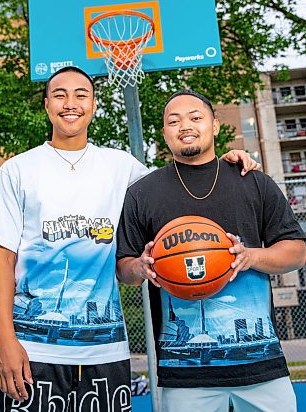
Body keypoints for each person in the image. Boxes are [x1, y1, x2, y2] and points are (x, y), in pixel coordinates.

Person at [0, 70, 259, 411]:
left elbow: (179, 187)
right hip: (32, 350)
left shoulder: (121, 167)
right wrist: (5, 340)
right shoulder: (17, 170)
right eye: (61, 95)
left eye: (81, 95)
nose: (71, 103)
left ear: (93, 105)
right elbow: (0, 261)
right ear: (47, 104)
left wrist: (222, 161)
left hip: (106, 351)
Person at [116, 89, 306, 412]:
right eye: (173, 121)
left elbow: (297, 252)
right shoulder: (142, 194)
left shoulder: (253, 181)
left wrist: (250, 257)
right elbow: (124, 268)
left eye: (195, 117)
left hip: (261, 365)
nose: (185, 126)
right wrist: (142, 267)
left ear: (215, 125)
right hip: (185, 374)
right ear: (164, 133)